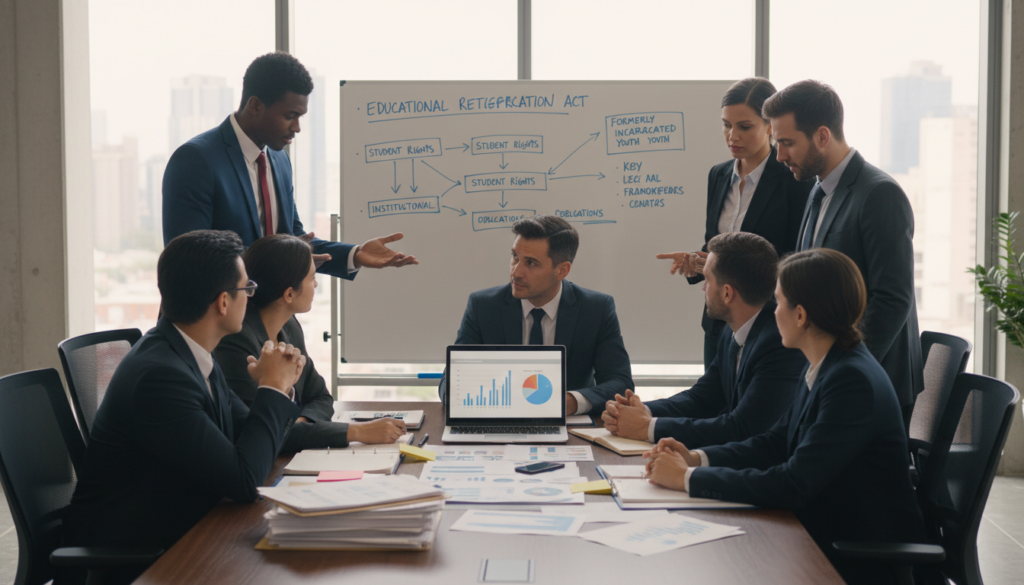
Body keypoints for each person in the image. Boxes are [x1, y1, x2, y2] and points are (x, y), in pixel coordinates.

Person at [644, 248, 927, 585]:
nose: (772, 311)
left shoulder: (852, 382)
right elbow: (775, 442)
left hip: (855, 557)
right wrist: (696, 459)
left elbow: (793, 484)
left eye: (777, 302)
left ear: (801, 315)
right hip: (819, 530)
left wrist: (687, 478)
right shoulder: (828, 362)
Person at [63, 230, 304, 580]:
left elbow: (247, 435)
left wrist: (278, 390)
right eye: (246, 289)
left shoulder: (189, 352)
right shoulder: (161, 377)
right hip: (142, 554)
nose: (250, 298)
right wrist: (272, 387)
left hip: (184, 525)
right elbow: (243, 480)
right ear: (223, 302)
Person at [162, 52, 418, 280]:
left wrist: (355, 254)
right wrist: (281, 262)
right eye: (290, 116)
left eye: (300, 117)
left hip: (274, 312)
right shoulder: (196, 160)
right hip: (217, 315)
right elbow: (189, 258)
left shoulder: (279, 159)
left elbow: (293, 238)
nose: (297, 128)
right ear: (255, 105)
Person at [762, 79, 922, 417]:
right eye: (777, 143)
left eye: (787, 143)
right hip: (828, 377)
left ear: (822, 136)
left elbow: (893, 298)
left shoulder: (879, 194)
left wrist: (843, 368)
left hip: (868, 382)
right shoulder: (817, 190)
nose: (780, 155)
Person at [657, 78, 811, 368]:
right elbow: (718, 244)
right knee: (711, 393)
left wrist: (734, 270)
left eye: (744, 126)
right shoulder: (718, 175)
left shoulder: (794, 180)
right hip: (718, 322)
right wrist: (697, 261)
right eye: (726, 125)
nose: (732, 136)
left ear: (770, 126)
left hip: (769, 324)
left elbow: (797, 258)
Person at [602, 232, 805, 448]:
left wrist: (647, 427)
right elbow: (703, 398)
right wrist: (641, 410)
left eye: (707, 279)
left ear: (727, 293)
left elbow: (742, 428)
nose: (703, 287)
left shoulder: (779, 343)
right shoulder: (731, 330)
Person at [214, 234, 406, 450]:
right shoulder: (236, 341)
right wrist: (358, 431)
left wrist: (301, 426)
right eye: (312, 277)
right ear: (289, 294)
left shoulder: (289, 326)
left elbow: (321, 397)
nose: (316, 283)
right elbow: (261, 431)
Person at [437, 215, 633, 415]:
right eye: (515, 257)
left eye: (530, 263)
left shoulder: (596, 309)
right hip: (499, 419)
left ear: (562, 271)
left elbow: (620, 382)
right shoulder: (483, 306)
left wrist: (570, 402)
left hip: (570, 425)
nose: (516, 272)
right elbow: (450, 383)